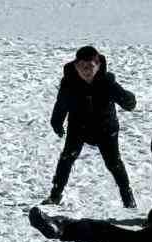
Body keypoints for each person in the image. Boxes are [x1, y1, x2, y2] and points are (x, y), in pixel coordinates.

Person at [46, 44, 137, 208]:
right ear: (76, 66)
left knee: (114, 163)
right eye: (81, 67)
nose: (86, 71)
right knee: (66, 158)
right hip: (78, 126)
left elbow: (127, 102)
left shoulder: (107, 82)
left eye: (90, 67)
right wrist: (57, 122)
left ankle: (128, 198)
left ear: (98, 65)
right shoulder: (69, 82)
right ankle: (55, 195)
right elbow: (61, 104)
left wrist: (128, 99)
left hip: (106, 128)